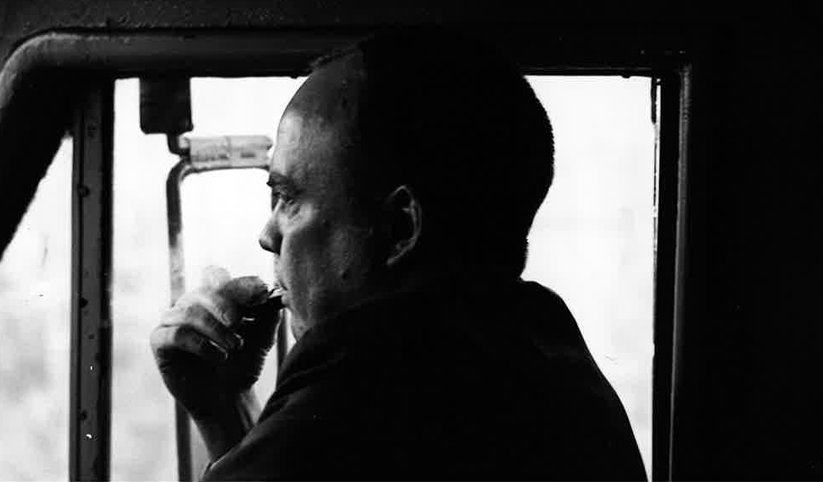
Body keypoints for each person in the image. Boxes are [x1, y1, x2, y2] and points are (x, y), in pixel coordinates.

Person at [150, 30, 648, 480]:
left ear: (400, 228)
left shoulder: (356, 403)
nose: (268, 234)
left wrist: (223, 412)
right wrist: (226, 406)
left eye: (288, 198)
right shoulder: (557, 372)